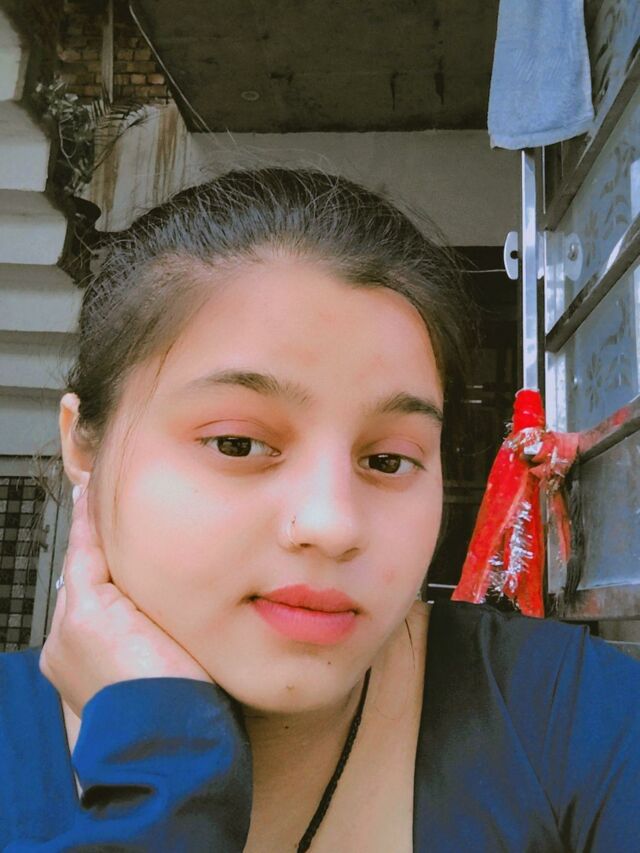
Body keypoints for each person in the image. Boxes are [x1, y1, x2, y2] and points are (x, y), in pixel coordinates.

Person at [1, 168, 639, 852]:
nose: (333, 524)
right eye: (238, 443)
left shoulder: (573, 716)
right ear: (84, 446)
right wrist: (166, 774)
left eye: (387, 460)